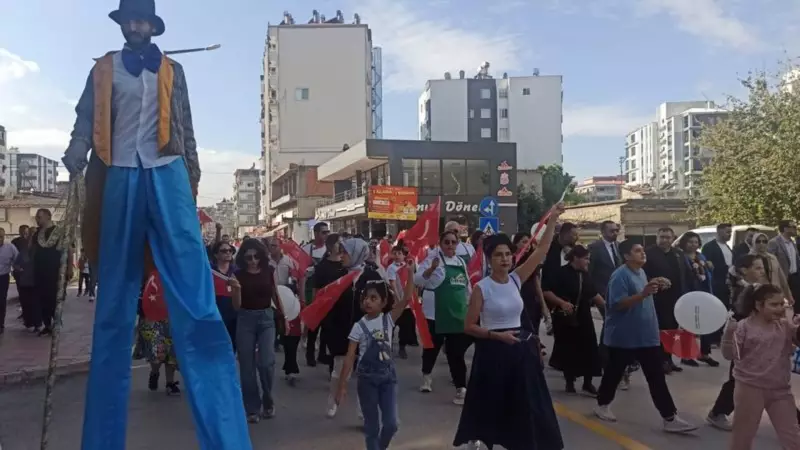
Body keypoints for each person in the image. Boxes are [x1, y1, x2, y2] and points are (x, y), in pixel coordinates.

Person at [60, 0, 251, 446]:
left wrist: (194, 176)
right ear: (123, 25)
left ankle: (227, 438)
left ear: (153, 26)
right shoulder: (103, 68)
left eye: (142, 19)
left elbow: (186, 125)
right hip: (118, 173)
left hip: (167, 173)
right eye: (130, 20)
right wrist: (77, 147)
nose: (136, 26)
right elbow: (85, 116)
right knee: (113, 307)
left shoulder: (172, 70)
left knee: (197, 301)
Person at [454, 204, 565, 450]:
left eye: (508, 254)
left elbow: (543, 249)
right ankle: (481, 438)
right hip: (493, 352)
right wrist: (496, 335)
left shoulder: (516, 278)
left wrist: (552, 219)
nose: (505, 259)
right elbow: (469, 326)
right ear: (489, 259)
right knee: (491, 403)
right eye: (498, 255)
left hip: (520, 353)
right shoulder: (482, 288)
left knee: (524, 404)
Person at [594, 239, 696, 433]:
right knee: (614, 373)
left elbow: (644, 293)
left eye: (642, 250)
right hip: (624, 336)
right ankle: (602, 405)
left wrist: (654, 285)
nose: (643, 253)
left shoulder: (641, 272)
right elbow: (616, 304)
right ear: (626, 256)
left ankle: (669, 417)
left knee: (656, 376)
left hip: (645, 335)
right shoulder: (619, 276)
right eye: (637, 251)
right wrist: (643, 294)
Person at [335, 264, 415, 450]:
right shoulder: (358, 327)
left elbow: (406, 299)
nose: (368, 302)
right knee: (372, 427)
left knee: (391, 424)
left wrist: (411, 273)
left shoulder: (388, 320)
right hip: (367, 381)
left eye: (373, 298)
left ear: (383, 302)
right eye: (365, 298)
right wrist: (342, 386)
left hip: (388, 378)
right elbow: (349, 357)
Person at [721, 283, 800, 449]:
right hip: (750, 389)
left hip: (780, 390)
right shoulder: (743, 327)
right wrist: (729, 334)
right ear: (758, 305)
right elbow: (730, 355)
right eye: (774, 304)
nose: (780, 308)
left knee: (793, 438)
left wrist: (798, 328)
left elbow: (796, 339)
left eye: (782, 304)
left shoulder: (784, 326)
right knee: (742, 438)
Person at [229, 239, 287, 423]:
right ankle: (252, 408)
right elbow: (236, 306)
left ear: (261, 256)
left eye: (255, 256)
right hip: (245, 319)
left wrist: (283, 317)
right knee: (247, 367)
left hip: (266, 318)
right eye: (248, 257)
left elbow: (275, 294)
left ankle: (268, 399)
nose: (252, 261)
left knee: (266, 362)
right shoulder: (237, 274)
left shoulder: (269, 271)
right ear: (243, 258)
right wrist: (236, 290)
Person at [414, 230, 472, 404]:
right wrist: (431, 269)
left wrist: (470, 304)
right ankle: (427, 376)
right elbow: (417, 280)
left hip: (456, 313)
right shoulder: (433, 259)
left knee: (456, 353)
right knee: (432, 348)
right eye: (446, 242)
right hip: (435, 313)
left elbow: (467, 285)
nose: (450, 245)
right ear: (440, 243)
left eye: (454, 242)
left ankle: (461, 387)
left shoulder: (461, 261)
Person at [542, 245, 604, 395]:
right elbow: (546, 291)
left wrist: (608, 309)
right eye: (586, 259)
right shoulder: (561, 273)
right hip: (566, 317)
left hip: (583, 315)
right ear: (576, 258)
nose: (588, 262)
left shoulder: (585, 275)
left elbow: (593, 294)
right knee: (569, 349)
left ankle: (588, 383)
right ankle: (570, 382)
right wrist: (561, 303)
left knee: (589, 348)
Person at [643, 227, 695, 372]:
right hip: (656, 299)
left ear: (673, 239)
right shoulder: (648, 253)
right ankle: (659, 361)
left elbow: (686, 274)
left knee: (672, 330)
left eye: (668, 237)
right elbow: (641, 274)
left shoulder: (678, 254)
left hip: (676, 298)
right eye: (662, 237)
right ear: (657, 237)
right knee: (659, 330)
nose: (665, 240)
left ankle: (669, 359)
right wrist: (653, 281)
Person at [677, 231, 719, 367]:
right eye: (690, 242)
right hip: (688, 293)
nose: (693, 245)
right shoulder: (680, 257)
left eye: (696, 242)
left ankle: (704, 353)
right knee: (688, 324)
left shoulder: (701, 256)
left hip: (704, 292)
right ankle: (686, 355)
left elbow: (707, 274)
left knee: (705, 323)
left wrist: (709, 267)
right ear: (684, 243)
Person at [135, 280, 180, 396]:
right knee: (156, 351)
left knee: (172, 351)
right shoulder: (148, 267)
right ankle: (155, 372)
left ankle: (170, 383)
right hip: (151, 314)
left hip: (172, 314)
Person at [30, 209, 70, 337]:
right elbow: (32, 249)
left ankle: (56, 323)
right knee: (42, 299)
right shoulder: (37, 234)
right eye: (37, 217)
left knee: (54, 298)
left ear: (48, 216)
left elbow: (68, 250)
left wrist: (69, 268)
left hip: (55, 270)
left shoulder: (58, 232)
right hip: (40, 270)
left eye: (39, 217)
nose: (37, 219)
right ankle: (47, 325)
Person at [304, 221, 330, 367]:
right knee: (313, 323)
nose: (326, 235)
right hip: (311, 288)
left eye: (327, 232)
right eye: (323, 232)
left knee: (327, 324)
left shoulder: (329, 249)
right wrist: (308, 271)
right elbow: (300, 269)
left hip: (325, 289)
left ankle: (322, 353)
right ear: (315, 233)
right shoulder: (306, 249)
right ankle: (309, 353)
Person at [386, 244, 417, 359]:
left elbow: (412, 282)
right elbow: (392, 285)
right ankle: (387, 346)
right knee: (391, 325)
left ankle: (402, 347)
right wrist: (399, 301)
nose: (397, 256)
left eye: (399, 253)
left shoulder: (407, 266)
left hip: (406, 304)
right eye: (395, 253)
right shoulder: (392, 268)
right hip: (395, 303)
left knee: (406, 327)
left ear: (404, 255)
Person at [750, 232, 793, 304]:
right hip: (759, 295)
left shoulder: (773, 258)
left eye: (764, 241)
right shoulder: (749, 259)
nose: (761, 244)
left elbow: (782, 279)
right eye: (758, 241)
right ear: (753, 243)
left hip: (775, 292)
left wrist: (789, 296)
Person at [211, 241, 237, 352]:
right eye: (223, 251)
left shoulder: (237, 271)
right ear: (216, 255)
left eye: (230, 250)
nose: (228, 253)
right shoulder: (210, 271)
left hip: (234, 316)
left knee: (232, 348)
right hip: (216, 315)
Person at [12, 225, 38, 332]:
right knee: (25, 301)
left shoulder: (38, 252)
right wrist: (19, 270)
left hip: (35, 280)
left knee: (35, 302)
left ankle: (37, 322)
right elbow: (16, 263)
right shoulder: (22, 251)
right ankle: (28, 321)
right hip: (24, 280)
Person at [0, 228, 18, 334]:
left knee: (1, 301)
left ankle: (0, 323)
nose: (0, 239)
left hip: (3, 277)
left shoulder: (10, 247)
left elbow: (17, 259)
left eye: (1, 237)